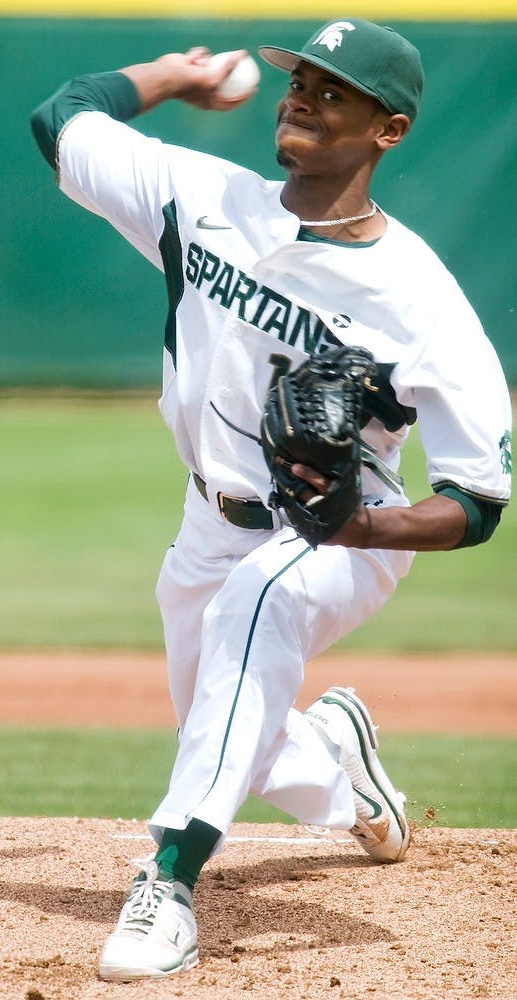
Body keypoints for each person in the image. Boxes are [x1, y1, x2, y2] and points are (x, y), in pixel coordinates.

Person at [30, 17, 512, 982]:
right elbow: (62, 118)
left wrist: (360, 524)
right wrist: (170, 73)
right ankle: (344, 763)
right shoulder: (202, 197)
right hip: (208, 521)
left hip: (341, 531)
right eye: (301, 81)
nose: (301, 97)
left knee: (261, 606)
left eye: (334, 92)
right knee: (236, 730)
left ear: (391, 129)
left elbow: (481, 499)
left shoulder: (420, 299)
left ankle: (169, 882)